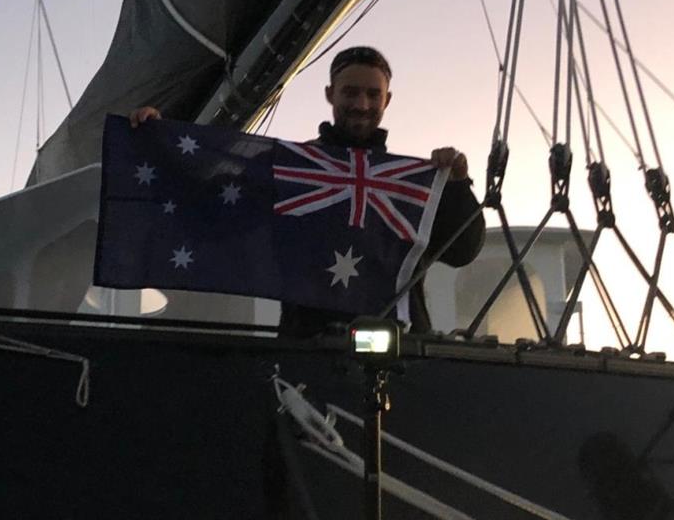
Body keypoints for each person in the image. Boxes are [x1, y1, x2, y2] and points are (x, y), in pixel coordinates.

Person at [130, 46, 485, 336]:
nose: (361, 105)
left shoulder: (411, 186)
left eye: (372, 94)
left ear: (387, 100)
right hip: (307, 350)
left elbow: (463, 251)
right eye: (350, 92)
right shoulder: (287, 171)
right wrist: (163, 144)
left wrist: (456, 187)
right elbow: (211, 219)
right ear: (330, 94)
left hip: (401, 352)